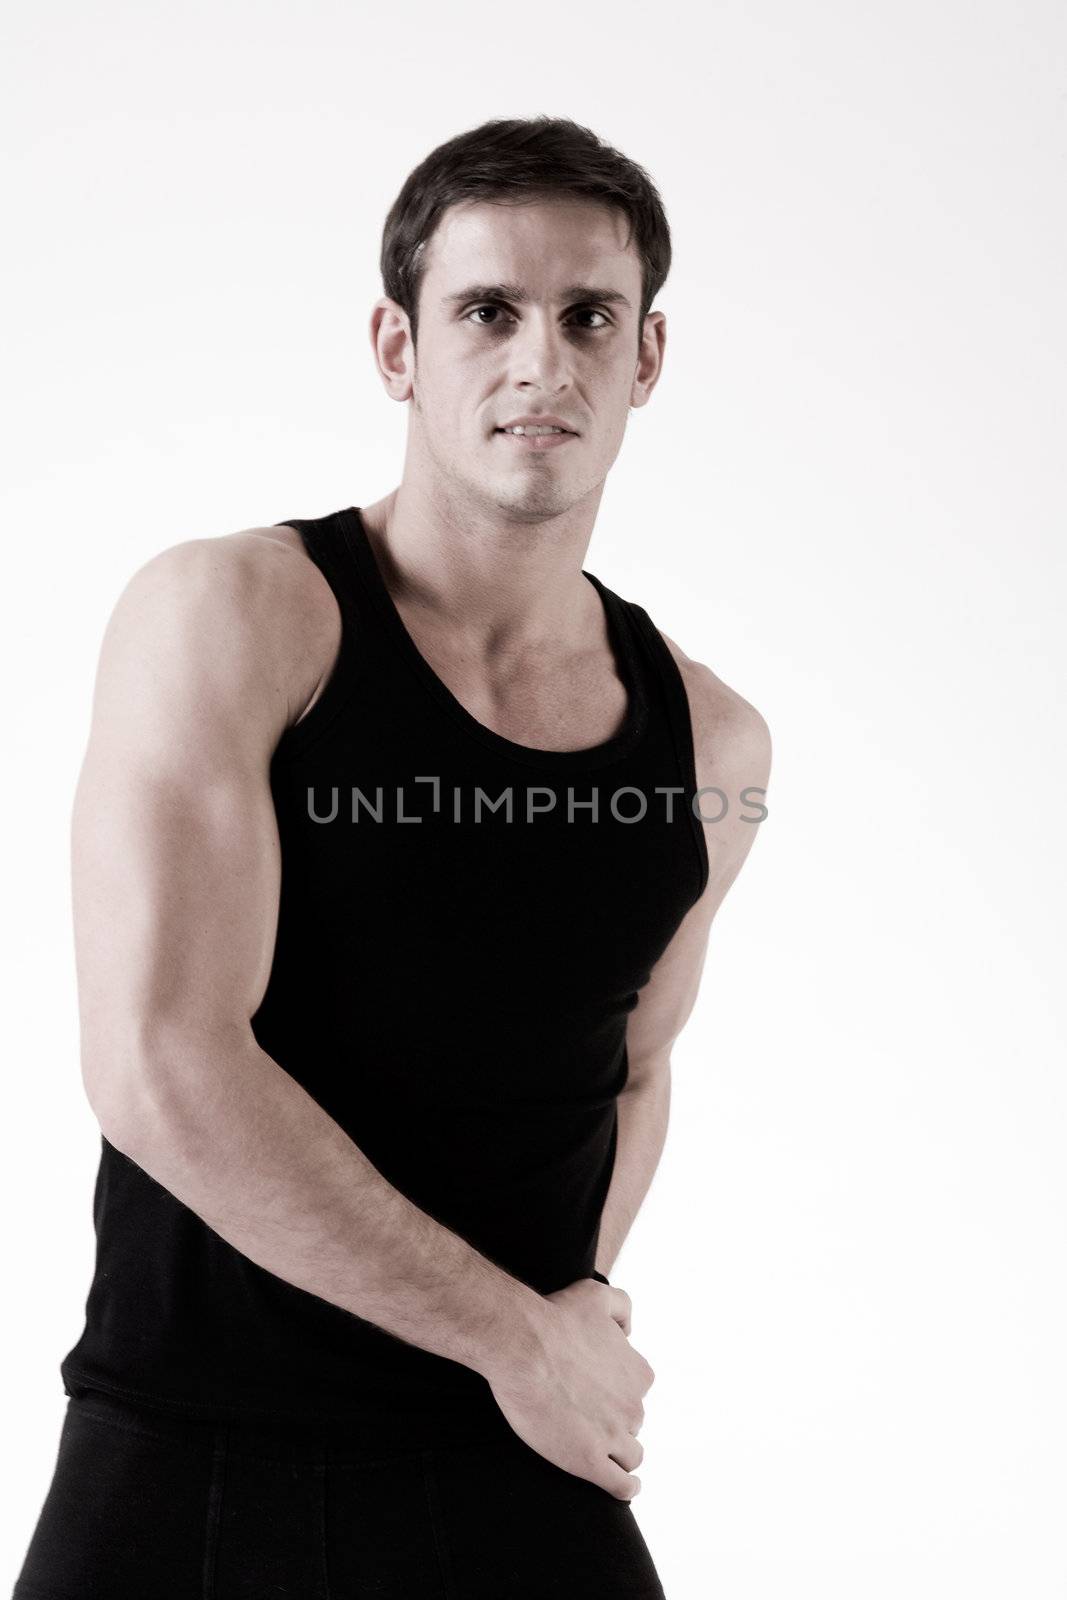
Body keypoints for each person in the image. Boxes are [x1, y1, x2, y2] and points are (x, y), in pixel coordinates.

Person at [12, 115, 771, 1599]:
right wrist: (514, 1331)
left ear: (648, 359)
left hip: (510, 1455)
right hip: (194, 1452)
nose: (541, 364)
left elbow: (634, 1068)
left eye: (588, 317)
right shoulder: (236, 617)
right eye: (487, 310)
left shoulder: (715, 746)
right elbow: (160, 1060)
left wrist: (567, 1321)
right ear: (397, 346)